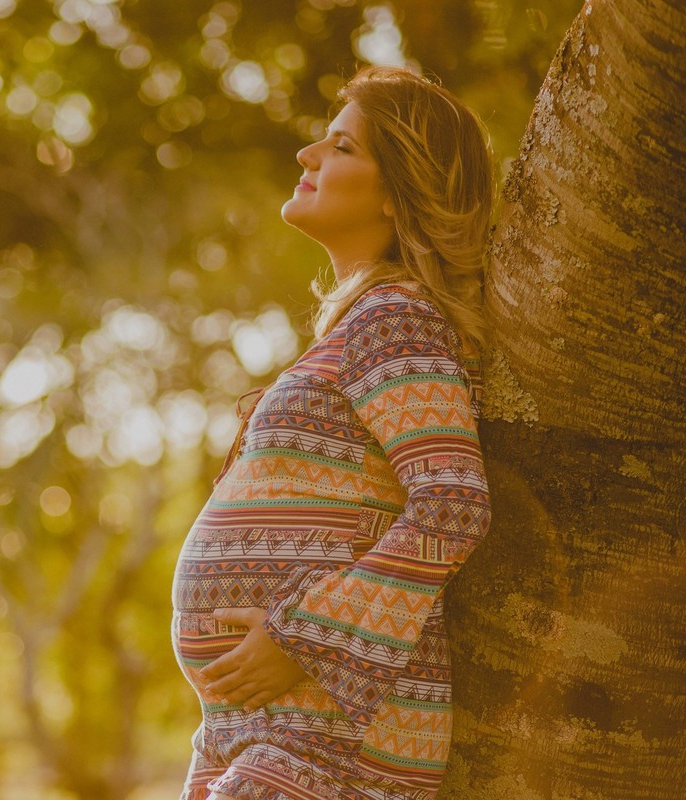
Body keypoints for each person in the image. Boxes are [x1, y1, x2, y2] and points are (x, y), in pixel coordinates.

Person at [171, 66, 494, 800]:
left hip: (332, 732)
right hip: (263, 725)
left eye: (342, 145)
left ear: (394, 190)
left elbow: (452, 503)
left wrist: (305, 639)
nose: (307, 155)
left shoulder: (396, 318)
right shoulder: (360, 326)